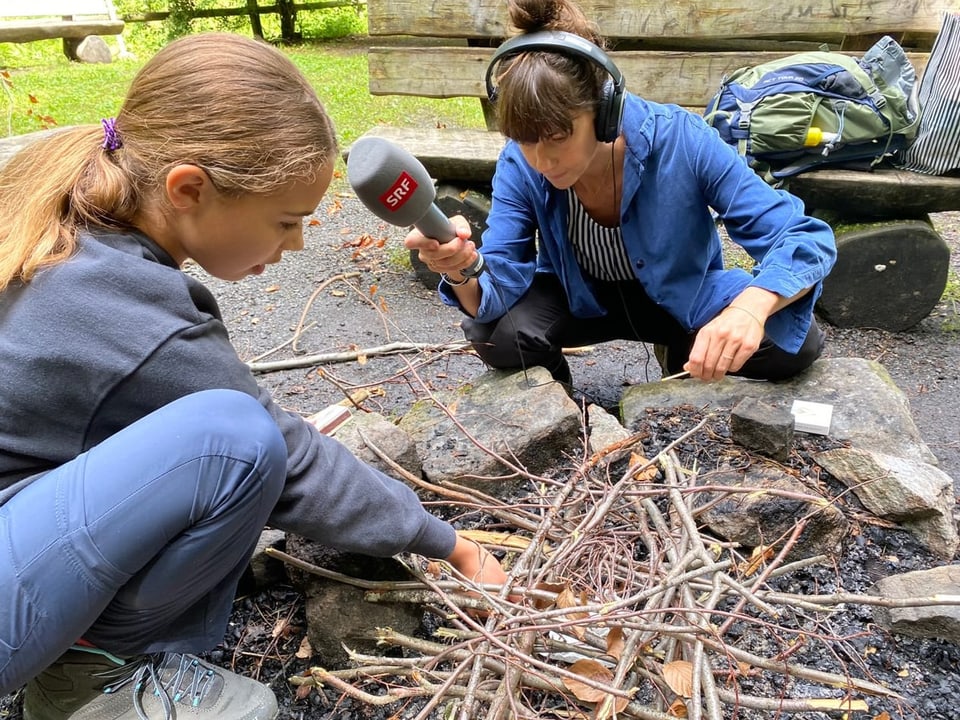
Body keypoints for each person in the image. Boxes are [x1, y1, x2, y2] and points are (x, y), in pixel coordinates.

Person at [0, 33, 508, 720]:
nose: (297, 244)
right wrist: (452, 545)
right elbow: (285, 457)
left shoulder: (67, 220)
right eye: (286, 221)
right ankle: (90, 681)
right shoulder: (133, 314)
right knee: (234, 440)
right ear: (189, 189)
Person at [405, 0, 837, 387]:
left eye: (557, 136)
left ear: (604, 111)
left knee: (790, 344)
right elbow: (498, 278)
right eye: (524, 139)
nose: (541, 160)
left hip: (681, 295)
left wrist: (748, 310)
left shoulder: (682, 139)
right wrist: (461, 269)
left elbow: (803, 238)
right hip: (577, 298)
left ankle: (686, 356)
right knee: (495, 334)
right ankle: (559, 406)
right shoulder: (519, 163)